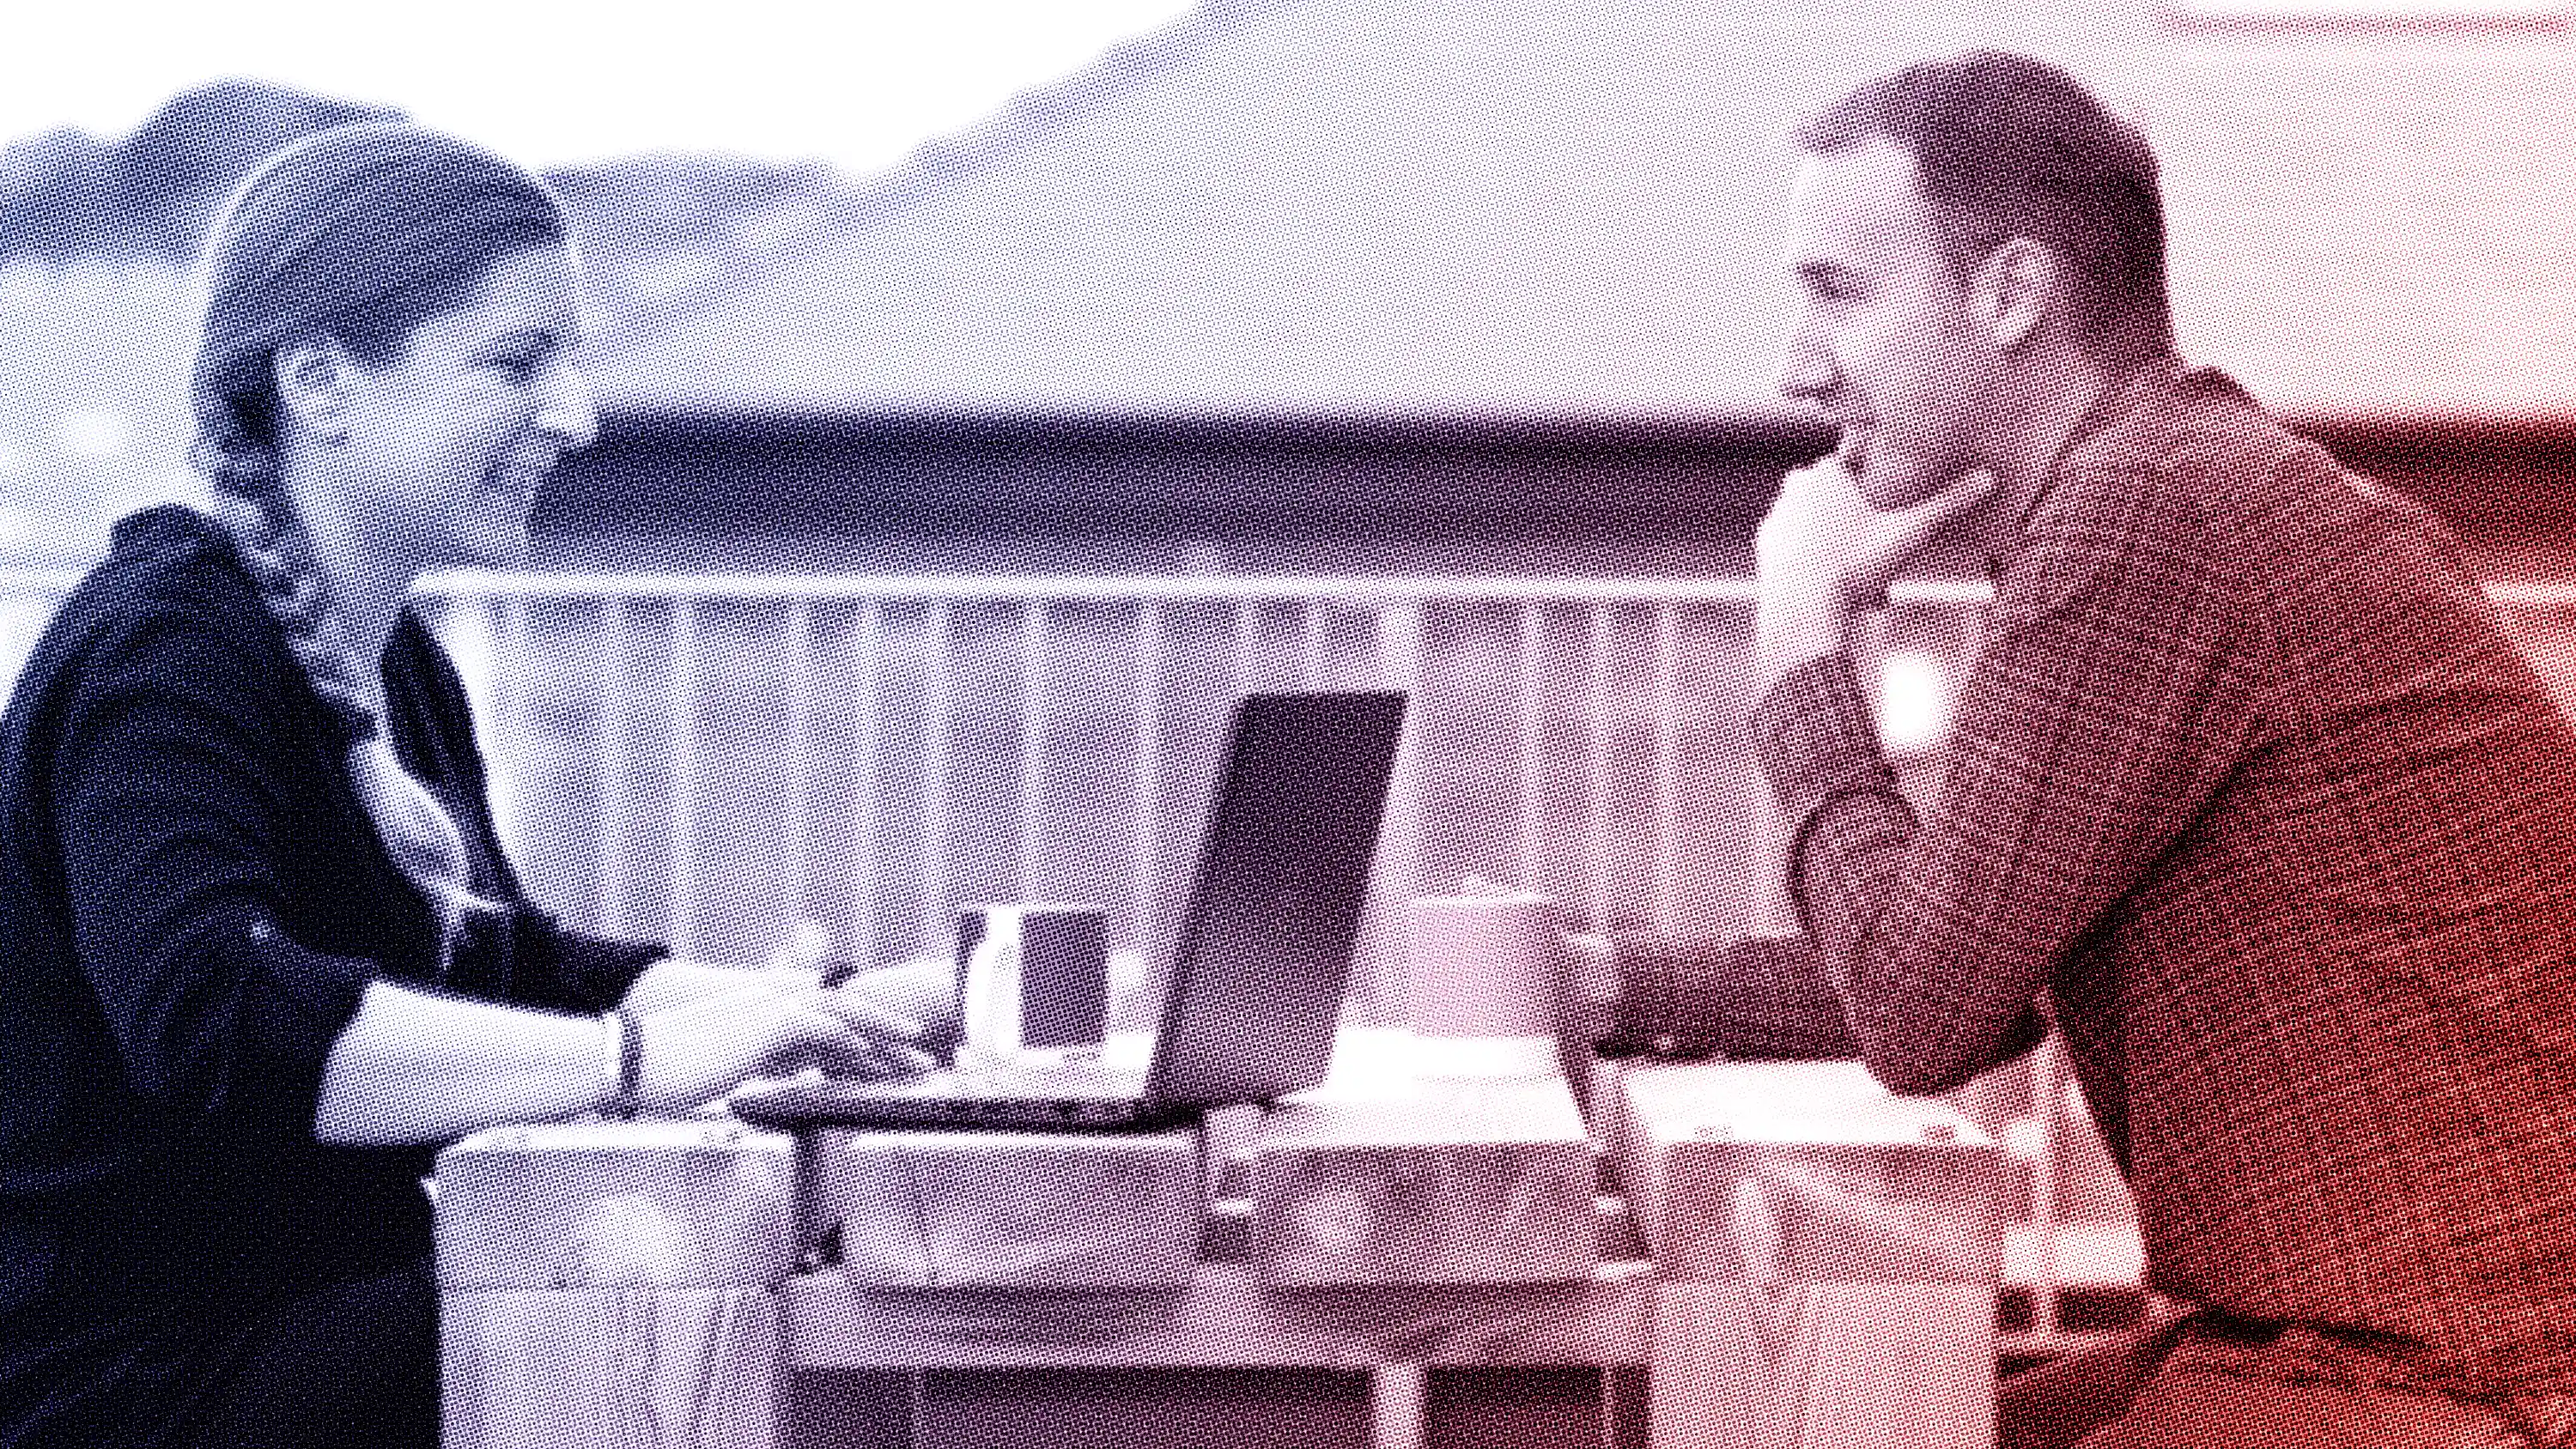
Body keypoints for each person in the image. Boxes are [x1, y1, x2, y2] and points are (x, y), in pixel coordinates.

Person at [1615, 51, 2576, 1449]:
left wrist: (1801, 645)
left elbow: (1921, 1010)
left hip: (2437, 1383)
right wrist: (1618, 985)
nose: (1792, 368)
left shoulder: (2146, 522)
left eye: (1838, 292)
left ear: (2010, 294)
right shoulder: (2173, 493)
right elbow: (1985, 972)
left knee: (1834, 1421)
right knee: (1868, 1423)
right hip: (2367, 1347)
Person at [0, 123, 947, 1449]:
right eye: (516, 362)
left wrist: (817, 1012)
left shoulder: (399, 664)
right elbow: (218, 1015)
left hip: (309, 1327)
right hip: (132, 1394)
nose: (578, 414)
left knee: (765, 1307)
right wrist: (639, 1064)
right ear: (320, 384)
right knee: (672, 1315)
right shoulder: (164, 648)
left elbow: (501, 968)